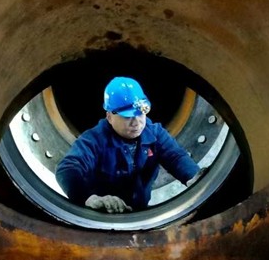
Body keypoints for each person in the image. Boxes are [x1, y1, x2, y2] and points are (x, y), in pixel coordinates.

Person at [56, 76, 202, 214]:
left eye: (141, 113)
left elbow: (175, 157)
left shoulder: (154, 133)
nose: (137, 122)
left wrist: (194, 178)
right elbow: (68, 168)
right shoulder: (95, 139)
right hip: (103, 215)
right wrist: (88, 198)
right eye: (128, 117)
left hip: (140, 212)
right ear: (109, 117)